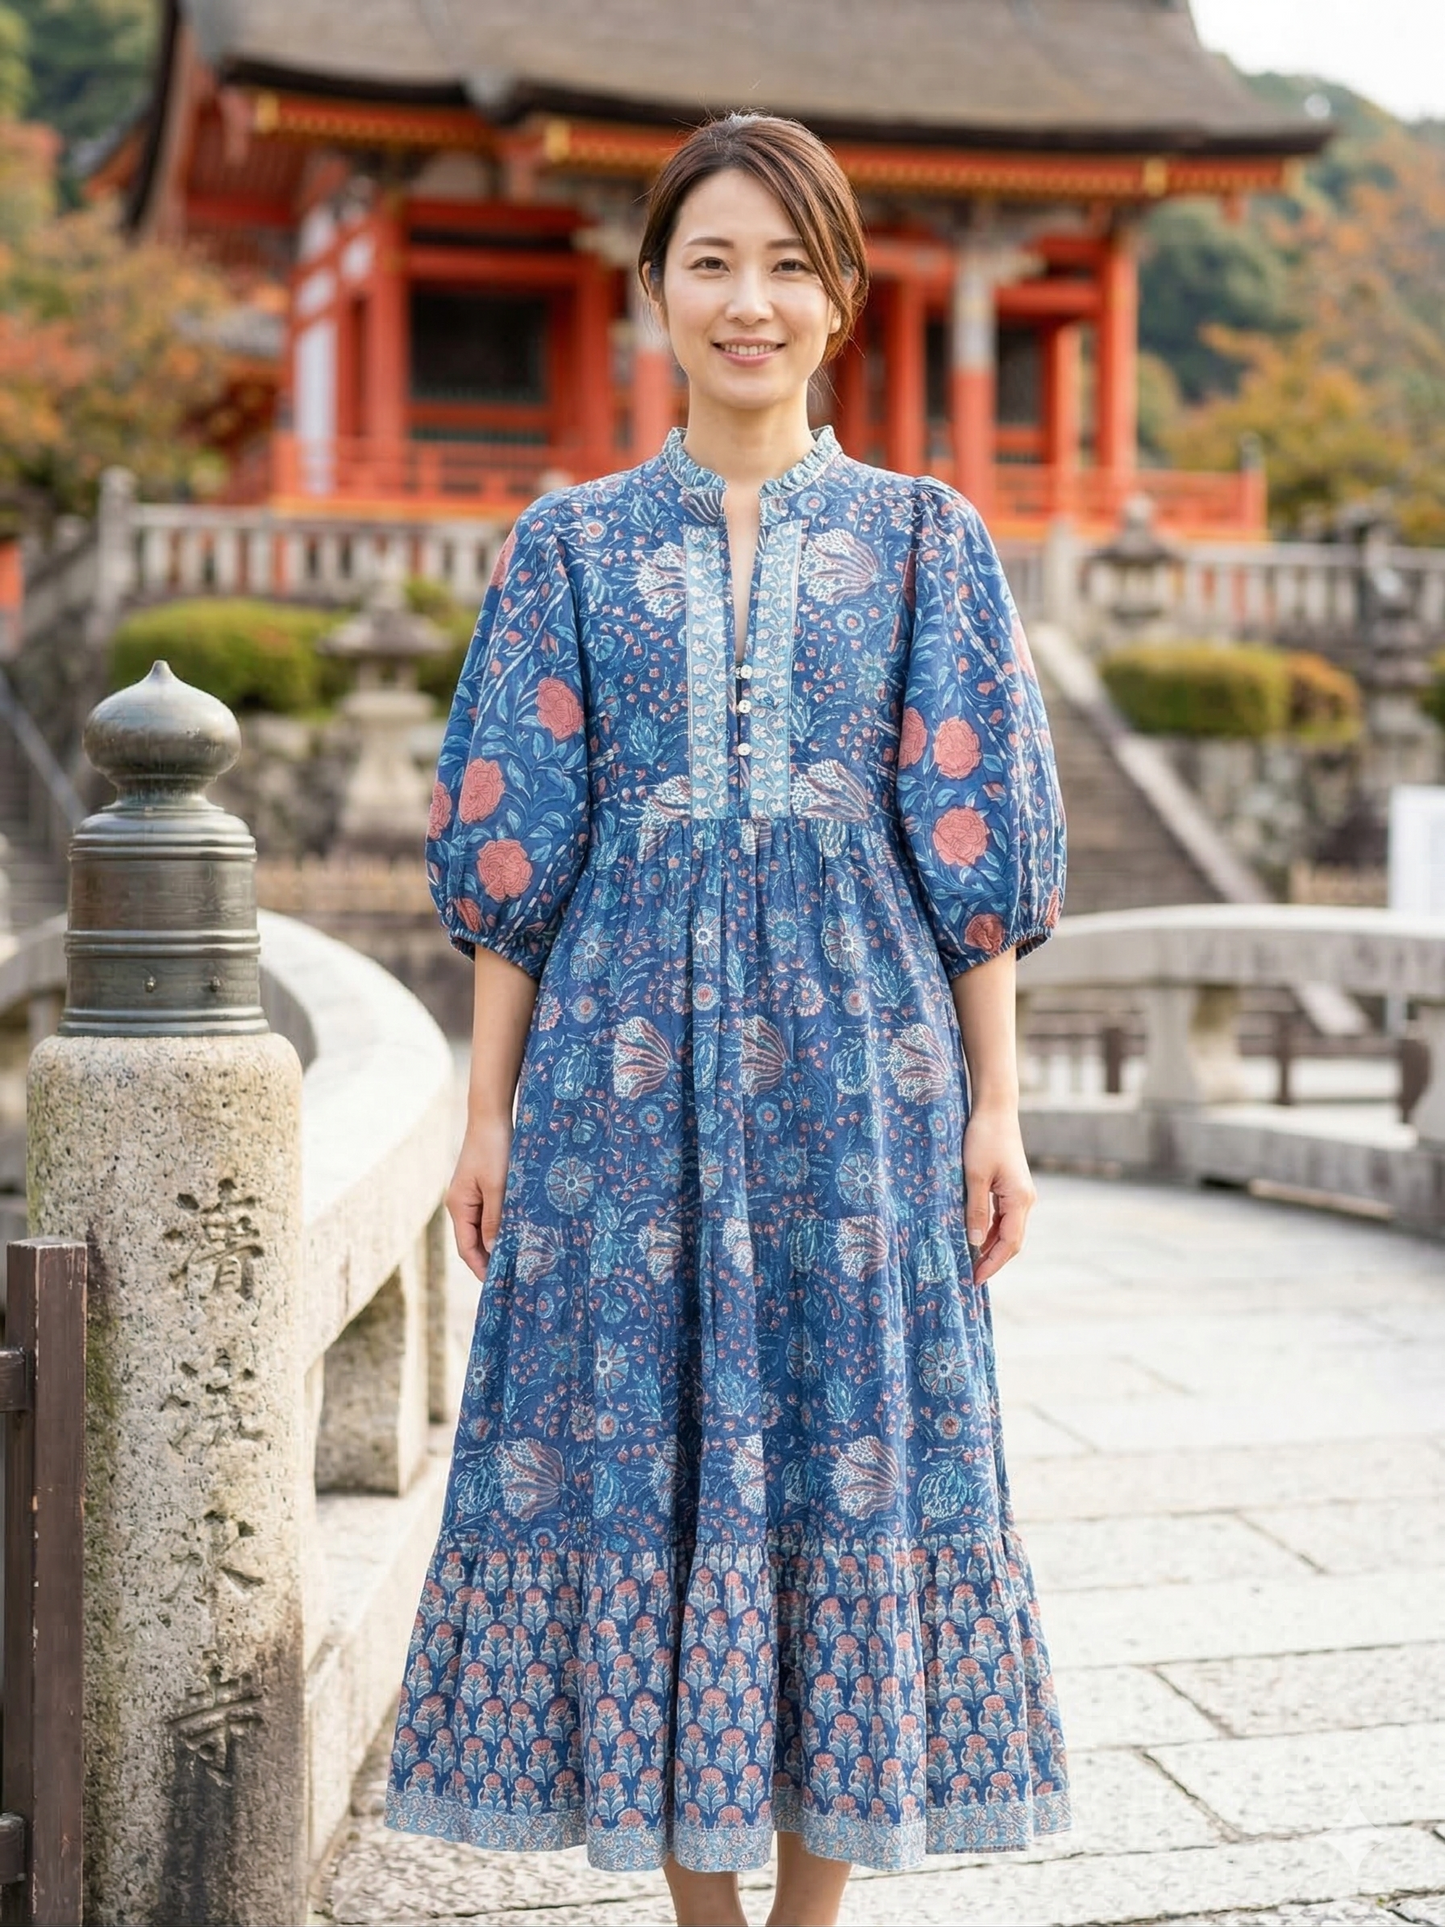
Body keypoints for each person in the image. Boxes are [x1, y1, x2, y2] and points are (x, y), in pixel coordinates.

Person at [386, 111, 1071, 1927]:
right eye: (713, 262)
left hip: (866, 1078)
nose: (748, 301)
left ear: (841, 299)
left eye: (788, 265)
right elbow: (518, 840)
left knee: (846, 1463)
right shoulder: (571, 547)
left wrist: (996, 1107)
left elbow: (968, 839)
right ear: (654, 295)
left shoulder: (929, 540)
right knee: (666, 1469)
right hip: (622, 1077)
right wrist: (487, 1112)